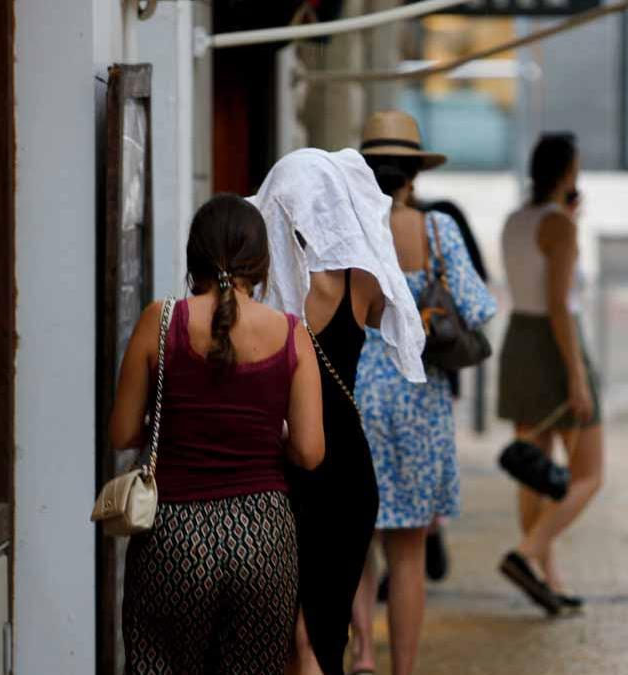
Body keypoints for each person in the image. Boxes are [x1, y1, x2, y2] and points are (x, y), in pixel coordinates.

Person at [111, 194, 325, 674]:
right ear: (264, 265)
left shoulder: (159, 321)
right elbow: (310, 452)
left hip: (174, 535)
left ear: (193, 259)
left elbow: (123, 432)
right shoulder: (292, 335)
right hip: (263, 538)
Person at [251, 148, 427, 675]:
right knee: (322, 635)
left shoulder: (261, 292)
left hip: (279, 468)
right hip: (348, 470)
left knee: (280, 632)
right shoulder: (362, 280)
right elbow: (388, 307)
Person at [351, 110, 497, 675]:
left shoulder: (348, 231)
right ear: (414, 175)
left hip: (356, 395)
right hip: (419, 399)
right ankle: (402, 668)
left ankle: (361, 651)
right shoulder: (438, 232)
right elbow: (480, 308)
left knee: (355, 541)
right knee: (407, 553)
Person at [496, 133, 605, 615]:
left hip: (519, 340)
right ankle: (527, 553)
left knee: (533, 472)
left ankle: (546, 577)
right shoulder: (560, 226)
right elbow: (561, 305)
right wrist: (578, 378)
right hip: (555, 345)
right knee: (588, 474)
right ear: (567, 173)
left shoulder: (515, 221)